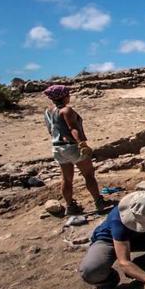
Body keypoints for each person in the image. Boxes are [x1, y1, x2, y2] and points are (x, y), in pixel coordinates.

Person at [42, 85, 107, 214]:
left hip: (57, 147)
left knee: (66, 179)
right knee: (88, 175)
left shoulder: (48, 112)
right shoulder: (67, 110)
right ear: (64, 96)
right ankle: (98, 201)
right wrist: (82, 144)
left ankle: (70, 206)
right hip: (72, 146)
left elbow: (51, 130)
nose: (69, 96)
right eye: (68, 94)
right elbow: (73, 128)